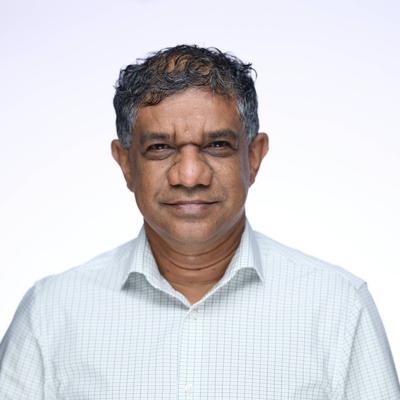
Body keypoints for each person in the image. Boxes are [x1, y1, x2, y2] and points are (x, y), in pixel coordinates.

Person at [0, 45, 399, 400]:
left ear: (254, 157)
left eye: (217, 145)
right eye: (160, 147)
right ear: (126, 163)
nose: (190, 175)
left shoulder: (339, 307)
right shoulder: (51, 313)